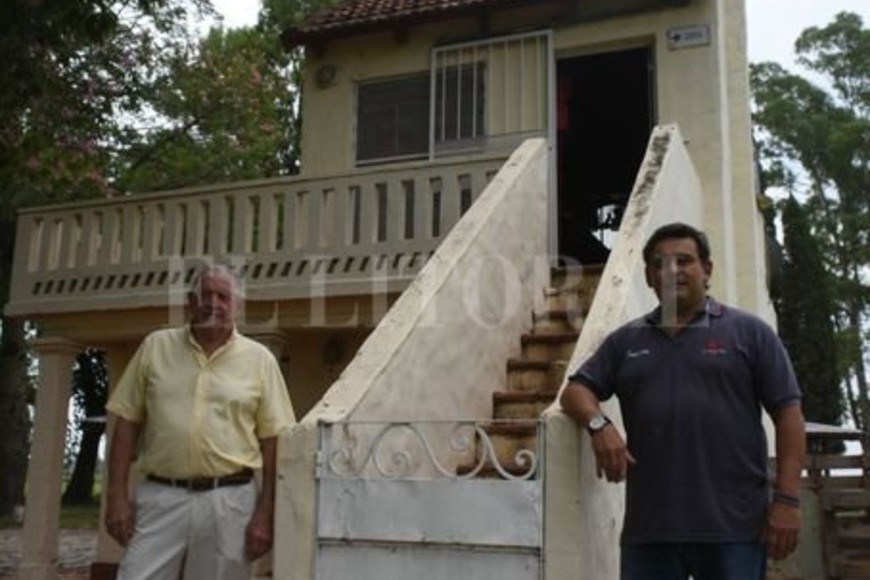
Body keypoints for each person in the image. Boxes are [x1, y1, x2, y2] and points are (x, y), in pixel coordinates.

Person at [559, 222, 806, 580]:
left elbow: (788, 414)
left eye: (683, 261)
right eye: (659, 264)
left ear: (707, 270)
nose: (671, 271)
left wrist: (787, 500)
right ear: (648, 277)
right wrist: (600, 425)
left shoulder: (750, 333)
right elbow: (574, 391)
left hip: (734, 530)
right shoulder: (625, 342)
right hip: (650, 533)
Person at [105, 263, 296, 580]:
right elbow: (126, 423)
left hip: (230, 501)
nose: (213, 303)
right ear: (190, 303)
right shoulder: (156, 346)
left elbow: (274, 442)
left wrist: (266, 512)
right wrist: (116, 497)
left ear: (238, 306)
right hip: (161, 495)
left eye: (223, 296)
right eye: (205, 295)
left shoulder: (260, 360)